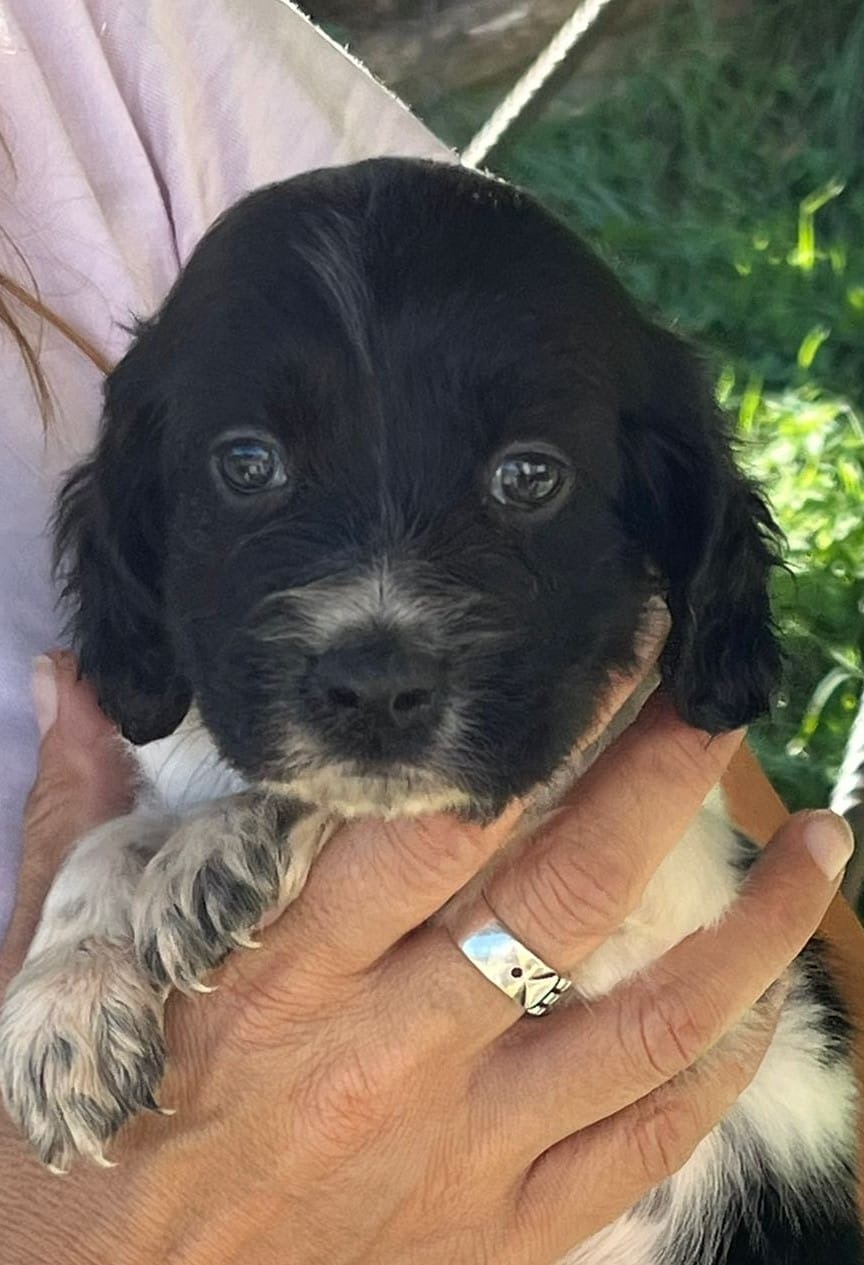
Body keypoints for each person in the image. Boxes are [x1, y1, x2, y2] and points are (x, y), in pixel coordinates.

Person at [0, 2, 860, 1260]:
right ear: (144, 507)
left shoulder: (93, 40)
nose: (380, 634)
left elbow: (664, 877)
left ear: (671, 516)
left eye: (526, 478)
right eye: (249, 465)